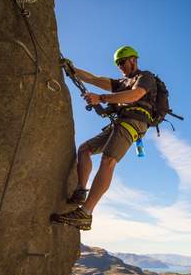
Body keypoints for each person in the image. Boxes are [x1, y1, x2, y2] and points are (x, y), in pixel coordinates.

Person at [51, 46, 157, 230]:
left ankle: (85, 213)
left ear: (133, 60)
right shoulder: (122, 82)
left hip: (135, 121)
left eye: (121, 62)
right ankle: (81, 191)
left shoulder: (145, 77)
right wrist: (72, 69)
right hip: (120, 122)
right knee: (85, 149)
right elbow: (93, 79)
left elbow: (136, 95)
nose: (119, 67)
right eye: (117, 64)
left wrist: (101, 98)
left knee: (108, 160)